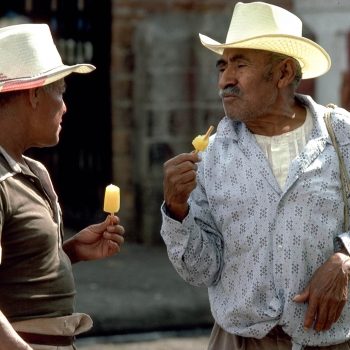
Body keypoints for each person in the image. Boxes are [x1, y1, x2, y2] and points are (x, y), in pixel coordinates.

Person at [161, 2, 350, 350]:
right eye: (222, 66)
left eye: (240, 64)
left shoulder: (341, 135)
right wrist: (177, 210)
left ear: (282, 73)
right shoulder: (211, 155)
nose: (224, 80)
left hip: (329, 341)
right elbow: (202, 270)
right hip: (239, 341)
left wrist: (345, 260)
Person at [0, 23, 125, 349]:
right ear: (33, 94)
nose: (65, 107)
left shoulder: (33, 172)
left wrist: (69, 253)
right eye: (61, 91)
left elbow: (20, 270)